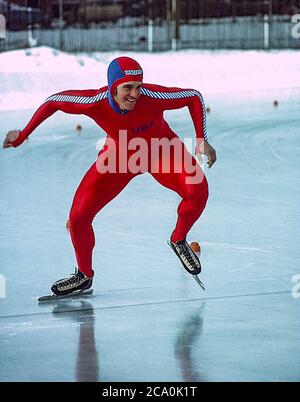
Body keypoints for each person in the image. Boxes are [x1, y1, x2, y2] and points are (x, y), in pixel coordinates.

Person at [2, 56, 216, 295]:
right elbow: (54, 102)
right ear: (113, 88)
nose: (135, 94)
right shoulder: (94, 101)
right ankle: (84, 275)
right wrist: (23, 134)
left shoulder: (153, 96)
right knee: (79, 216)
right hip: (119, 157)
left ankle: (178, 239)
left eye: (138, 86)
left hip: (162, 150)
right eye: (128, 87)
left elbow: (194, 97)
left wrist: (201, 140)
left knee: (198, 191)